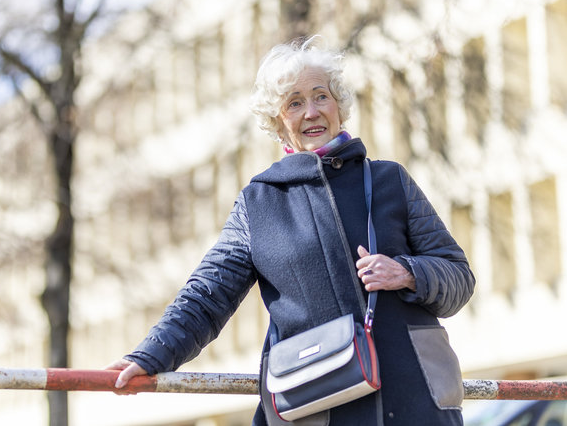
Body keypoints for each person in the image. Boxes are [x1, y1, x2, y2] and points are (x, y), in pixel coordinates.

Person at [106, 36, 476, 425]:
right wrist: (148, 356)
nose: (312, 112)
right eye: (295, 103)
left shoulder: (390, 180)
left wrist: (407, 273)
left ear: (339, 106)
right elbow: (206, 297)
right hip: (318, 405)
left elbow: (458, 277)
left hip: (414, 400)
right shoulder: (258, 202)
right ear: (277, 120)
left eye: (321, 96)